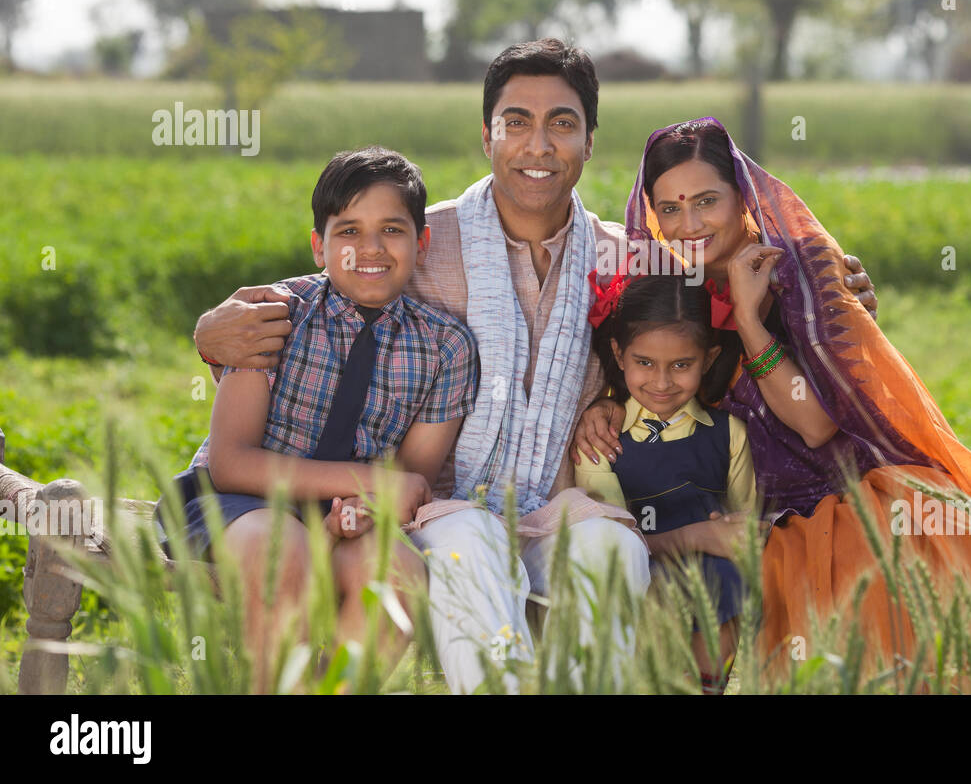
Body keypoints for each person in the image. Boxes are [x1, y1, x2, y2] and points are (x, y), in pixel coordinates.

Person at [192, 39, 879, 694]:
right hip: (437, 508)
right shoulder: (425, 237)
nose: (538, 146)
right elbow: (336, 287)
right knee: (466, 549)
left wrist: (827, 296)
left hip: (560, 506)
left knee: (617, 558)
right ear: (487, 136)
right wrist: (209, 329)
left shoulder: (623, 256)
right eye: (516, 123)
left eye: (562, 124)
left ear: (588, 141)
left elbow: (716, 290)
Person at [570, 117, 971, 680]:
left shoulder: (802, 269)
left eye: (707, 201)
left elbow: (817, 426)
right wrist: (606, 402)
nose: (689, 224)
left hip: (841, 500)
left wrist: (749, 321)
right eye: (669, 209)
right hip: (739, 509)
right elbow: (651, 373)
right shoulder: (676, 288)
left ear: (742, 197)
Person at [156, 146, 478, 692]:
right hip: (240, 503)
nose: (370, 249)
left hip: (353, 515)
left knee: (402, 579)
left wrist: (363, 505)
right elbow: (232, 463)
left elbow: (407, 485)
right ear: (318, 246)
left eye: (392, 231)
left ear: (421, 244)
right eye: (348, 231)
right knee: (285, 555)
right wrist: (367, 481)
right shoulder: (272, 317)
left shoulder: (446, 348)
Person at [579, 271, 756, 694]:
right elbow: (611, 543)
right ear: (619, 355)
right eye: (645, 363)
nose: (661, 383)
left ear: (709, 359)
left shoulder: (728, 433)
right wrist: (698, 535)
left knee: (736, 576)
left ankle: (702, 683)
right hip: (640, 571)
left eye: (681, 365)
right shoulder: (602, 439)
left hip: (711, 578)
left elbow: (747, 519)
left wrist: (736, 537)